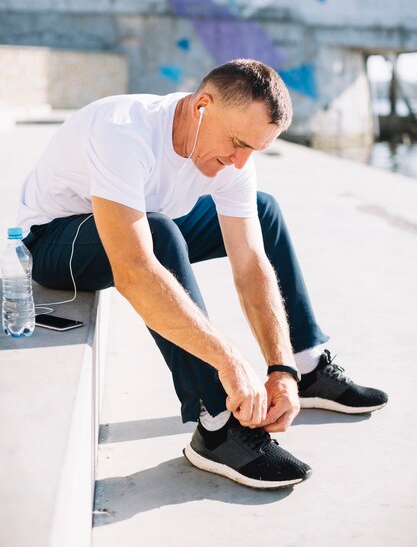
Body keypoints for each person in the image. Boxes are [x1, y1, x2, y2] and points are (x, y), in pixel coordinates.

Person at [17, 59, 388, 490]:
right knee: (158, 233)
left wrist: (279, 367)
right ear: (201, 107)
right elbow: (135, 271)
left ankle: (304, 368)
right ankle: (216, 424)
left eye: (253, 149)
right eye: (235, 143)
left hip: (143, 221)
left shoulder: (232, 156)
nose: (239, 162)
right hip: (54, 242)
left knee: (262, 211)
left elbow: (250, 264)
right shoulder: (123, 131)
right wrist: (228, 360)